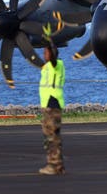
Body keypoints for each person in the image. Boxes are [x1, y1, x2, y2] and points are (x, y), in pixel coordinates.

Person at [39, 42, 66, 175]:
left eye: (46, 52)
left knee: (51, 137)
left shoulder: (56, 65)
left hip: (52, 104)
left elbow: (53, 59)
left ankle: (53, 165)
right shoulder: (48, 67)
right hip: (49, 104)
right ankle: (58, 166)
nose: (44, 54)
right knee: (54, 137)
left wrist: (49, 44)